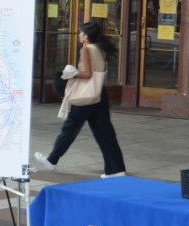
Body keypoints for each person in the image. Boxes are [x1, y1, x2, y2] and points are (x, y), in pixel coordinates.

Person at [34, 21, 126, 178]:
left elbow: (87, 74)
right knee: (105, 133)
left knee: (70, 128)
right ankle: (116, 170)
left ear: (86, 36)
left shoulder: (86, 49)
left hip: (85, 94)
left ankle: (52, 160)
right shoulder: (99, 48)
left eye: (81, 33)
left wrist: (70, 73)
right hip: (99, 93)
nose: (79, 35)